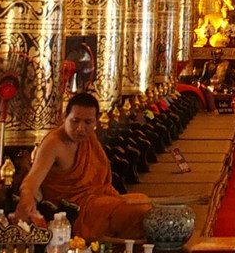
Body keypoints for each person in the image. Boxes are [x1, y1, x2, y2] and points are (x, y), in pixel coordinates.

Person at [17, 92, 153, 241]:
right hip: (76, 210)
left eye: (88, 123)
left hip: (97, 200)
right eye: (75, 121)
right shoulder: (54, 143)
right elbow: (32, 181)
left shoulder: (88, 138)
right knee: (136, 210)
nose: (80, 128)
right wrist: (26, 200)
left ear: (95, 121)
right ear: (64, 117)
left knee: (143, 200)